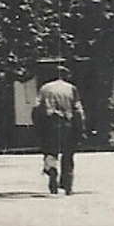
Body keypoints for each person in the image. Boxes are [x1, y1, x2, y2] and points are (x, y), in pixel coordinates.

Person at [32, 65, 85, 195]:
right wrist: (81, 127)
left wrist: (38, 125)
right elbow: (78, 109)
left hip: (50, 125)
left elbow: (37, 107)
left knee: (51, 152)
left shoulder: (45, 88)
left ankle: (52, 172)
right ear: (66, 76)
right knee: (68, 155)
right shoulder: (71, 88)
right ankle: (67, 185)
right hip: (67, 124)